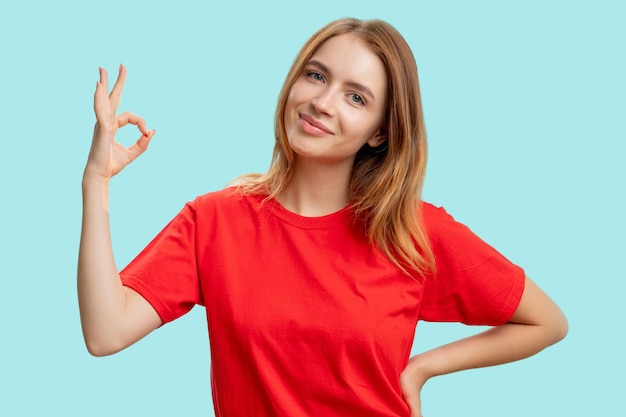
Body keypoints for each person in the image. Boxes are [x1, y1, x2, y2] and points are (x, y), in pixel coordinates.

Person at [78, 18, 567, 417]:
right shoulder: (214, 221)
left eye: (356, 97)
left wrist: (422, 369)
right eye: (316, 75)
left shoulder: (412, 232)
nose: (322, 102)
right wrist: (96, 182)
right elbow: (105, 332)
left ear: (379, 133)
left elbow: (547, 323)